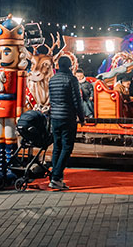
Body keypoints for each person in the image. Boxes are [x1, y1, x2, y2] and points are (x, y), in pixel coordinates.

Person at [48, 56, 85, 190]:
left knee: (57, 147)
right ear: (69, 66)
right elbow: (77, 101)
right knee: (67, 147)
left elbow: (51, 99)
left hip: (55, 118)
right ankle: (56, 176)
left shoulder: (52, 80)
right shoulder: (71, 79)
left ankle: (55, 178)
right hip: (68, 117)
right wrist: (81, 117)